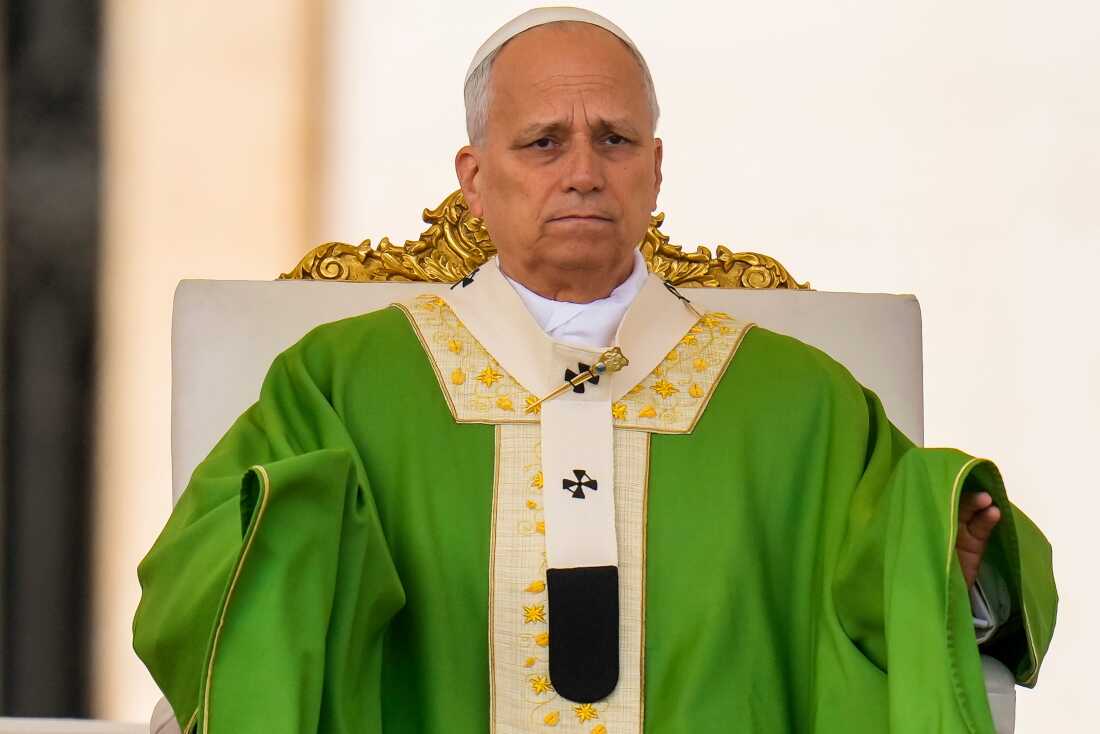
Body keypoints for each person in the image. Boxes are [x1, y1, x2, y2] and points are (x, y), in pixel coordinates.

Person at [133, 7, 1056, 733]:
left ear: (655, 172)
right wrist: (274, 559)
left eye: (614, 140)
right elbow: (211, 587)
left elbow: (890, 593)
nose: (582, 171)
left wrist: (946, 568)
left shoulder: (800, 404)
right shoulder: (341, 384)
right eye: (542, 142)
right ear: (473, 174)